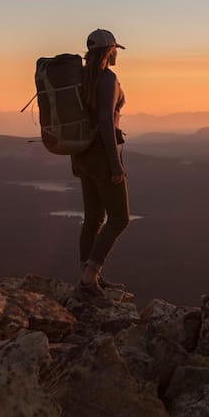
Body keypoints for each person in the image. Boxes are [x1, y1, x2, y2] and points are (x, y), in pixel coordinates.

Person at [71, 28, 130, 300]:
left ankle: (87, 276)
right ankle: (89, 278)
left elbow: (77, 122)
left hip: (82, 155)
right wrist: (115, 164)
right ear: (109, 50)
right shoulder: (108, 79)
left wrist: (75, 157)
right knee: (119, 218)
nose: (116, 52)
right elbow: (106, 121)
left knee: (93, 218)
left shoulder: (79, 78)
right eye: (115, 48)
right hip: (101, 156)